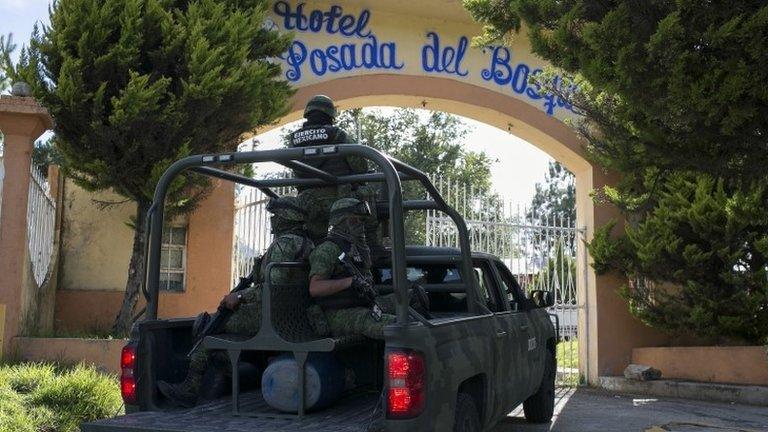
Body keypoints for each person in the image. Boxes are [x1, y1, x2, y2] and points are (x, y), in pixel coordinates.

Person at [157, 196, 314, 407]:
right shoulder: (307, 242)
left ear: (286, 218)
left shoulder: (284, 245)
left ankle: (191, 388)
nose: (273, 220)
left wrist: (239, 296)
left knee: (209, 325)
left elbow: (272, 289)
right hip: (291, 315)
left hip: (269, 317)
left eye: (276, 216)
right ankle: (227, 373)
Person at [307, 198, 429, 340]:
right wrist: (350, 281)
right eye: (355, 220)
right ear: (340, 221)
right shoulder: (327, 250)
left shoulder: (354, 248)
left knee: (415, 295)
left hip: (364, 303)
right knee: (401, 326)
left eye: (362, 221)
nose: (360, 225)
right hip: (339, 314)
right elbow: (315, 288)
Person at [289, 95, 382, 251]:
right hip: (340, 198)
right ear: (330, 115)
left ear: (308, 113)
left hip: (307, 201)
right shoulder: (337, 135)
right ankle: (373, 246)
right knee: (367, 192)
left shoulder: (294, 139)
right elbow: (360, 166)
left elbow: (296, 170)